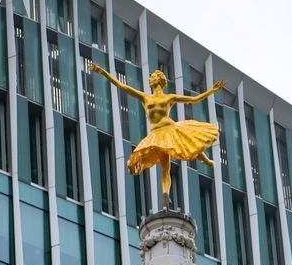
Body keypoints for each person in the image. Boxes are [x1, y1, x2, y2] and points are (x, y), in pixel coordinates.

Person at [89, 63, 225, 205]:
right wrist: (102, 71)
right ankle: (165, 194)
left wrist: (212, 91)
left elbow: (192, 100)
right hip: (156, 134)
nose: (150, 80)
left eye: (153, 77)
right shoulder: (145, 97)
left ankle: (206, 161)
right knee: (163, 166)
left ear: (159, 80)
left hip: (169, 129)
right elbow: (122, 86)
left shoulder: (169, 98)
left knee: (188, 142)